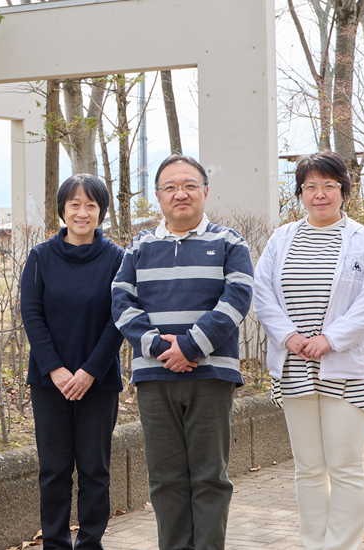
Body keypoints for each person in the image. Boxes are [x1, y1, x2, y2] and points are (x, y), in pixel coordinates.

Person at [111, 154, 254, 550]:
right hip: (155, 377)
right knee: (165, 478)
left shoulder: (229, 241)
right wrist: (161, 349)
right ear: (157, 196)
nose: (181, 194)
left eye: (190, 185)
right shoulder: (139, 245)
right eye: (170, 187)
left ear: (205, 192)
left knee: (210, 477)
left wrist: (190, 346)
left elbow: (237, 298)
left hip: (211, 374)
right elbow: (121, 304)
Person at [252, 151, 364, 550]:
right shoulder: (282, 238)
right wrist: (289, 336)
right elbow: (263, 293)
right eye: (310, 186)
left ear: (344, 190)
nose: (320, 194)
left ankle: (342, 546)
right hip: (295, 365)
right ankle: (313, 544)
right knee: (308, 468)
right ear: (300, 193)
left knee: (345, 467)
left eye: (329, 185)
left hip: (344, 367)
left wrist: (330, 340)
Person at [21, 174, 125, 550]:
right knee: (54, 470)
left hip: (99, 382)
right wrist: (57, 369)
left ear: (101, 211)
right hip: (50, 383)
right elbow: (32, 315)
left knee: (95, 470)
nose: (82, 212)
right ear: (62, 210)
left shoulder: (117, 259)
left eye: (91, 205)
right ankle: (55, 543)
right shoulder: (40, 257)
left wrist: (89, 372)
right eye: (75, 205)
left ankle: (91, 544)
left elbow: (119, 320)